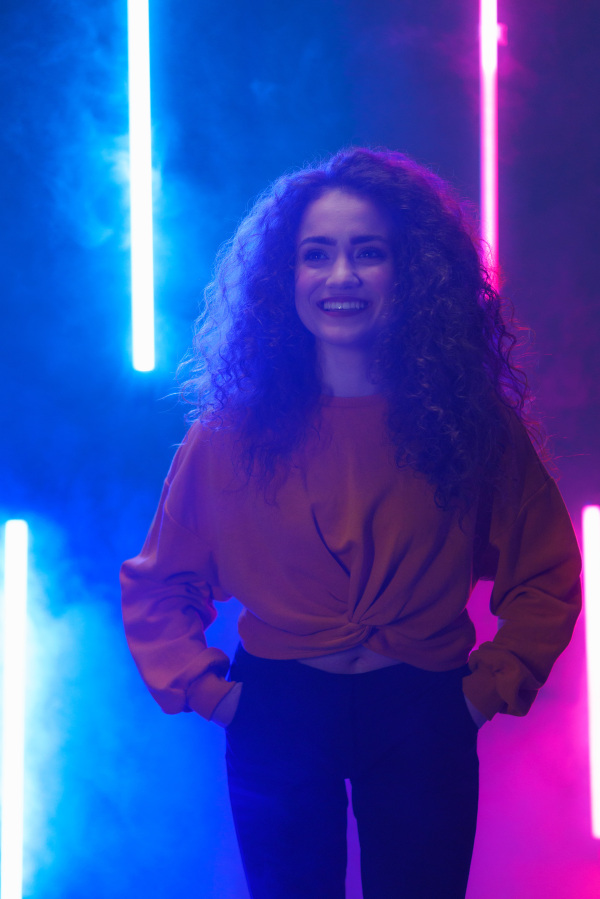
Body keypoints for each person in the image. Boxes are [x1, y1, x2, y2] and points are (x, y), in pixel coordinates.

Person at [120, 148, 582, 899]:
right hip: (279, 708)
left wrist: (483, 690)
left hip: (423, 707)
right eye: (316, 255)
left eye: (369, 252)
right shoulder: (228, 435)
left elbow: (547, 571)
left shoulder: (473, 425)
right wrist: (217, 695)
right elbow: (160, 584)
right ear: (284, 277)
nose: (341, 276)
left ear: (414, 274)